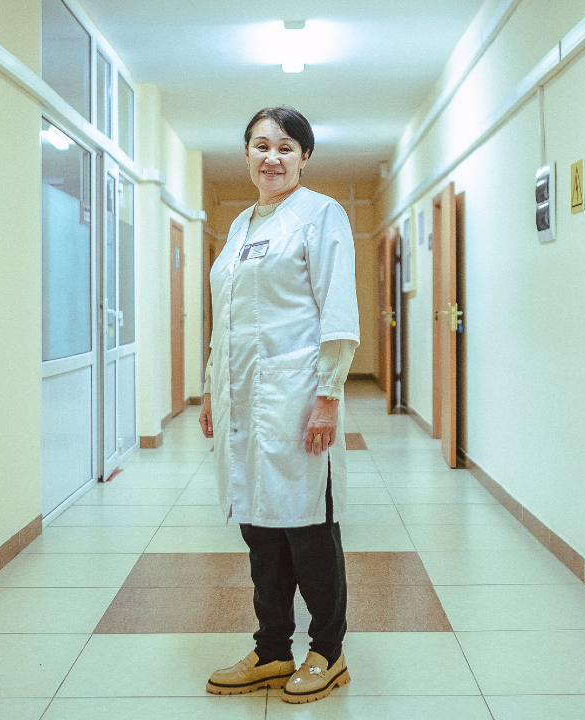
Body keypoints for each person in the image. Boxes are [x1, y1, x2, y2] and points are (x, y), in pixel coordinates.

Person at [199, 106, 359, 704]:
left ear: (304, 157)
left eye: (286, 147)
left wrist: (328, 396)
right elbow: (226, 319)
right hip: (241, 399)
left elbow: (337, 311)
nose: (272, 157)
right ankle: (272, 650)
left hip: (296, 397)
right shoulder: (240, 225)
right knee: (259, 528)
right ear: (246, 154)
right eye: (261, 145)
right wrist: (213, 387)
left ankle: (328, 651)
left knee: (308, 529)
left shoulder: (322, 214)